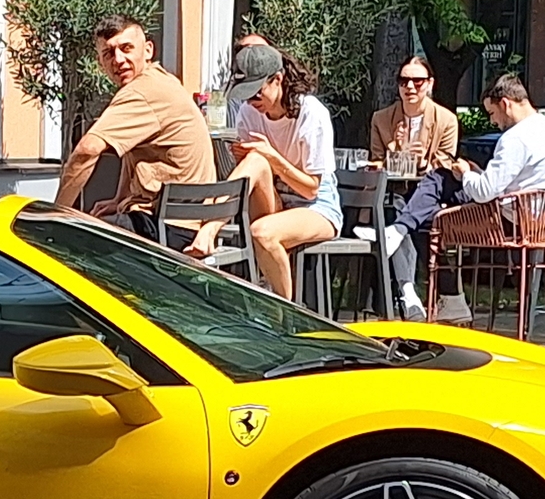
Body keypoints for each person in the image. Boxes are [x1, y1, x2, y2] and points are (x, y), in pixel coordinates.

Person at [388, 75, 545, 320]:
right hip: (537, 218)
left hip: (507, 221)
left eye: (492, 113)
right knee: (435, 190)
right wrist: (475, 173)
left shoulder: (515, 137)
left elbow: (484, 193)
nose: (493, 122)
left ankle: (446, 291)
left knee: (431, 209)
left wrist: (464, 174)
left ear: (505, 104)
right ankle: (404, 235)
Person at [51, 18, 214, 238]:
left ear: (148, 50)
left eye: (126, 48)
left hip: (169, 228)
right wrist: (120, 200)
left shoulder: (141, 92)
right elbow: (136, 152)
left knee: (72, 240)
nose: (118, 60)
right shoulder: (163, 79)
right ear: (100, 63)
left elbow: (86, 151)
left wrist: (55, 214)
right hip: (186, 220)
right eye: (108, 53)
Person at [218, 42, 341, 301]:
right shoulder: (248, 113)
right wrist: (251, 157)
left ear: (278, 79)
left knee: (262, 232)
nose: (251, 101)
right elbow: (260, 170)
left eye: (256, 92)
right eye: (245, 94)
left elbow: (312, 188)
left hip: (317, 205)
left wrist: (272, 157)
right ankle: (211, 223)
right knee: (254, 162)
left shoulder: (311, 114)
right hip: (277, 197)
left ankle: (285, 314)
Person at [367, 54, 459, 172]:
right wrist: (397, 153)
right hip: (390, 188)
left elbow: (445, 167)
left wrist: (422, 164)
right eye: (403, 81)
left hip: (428, 187)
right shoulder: (380, 119)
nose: (410, 86)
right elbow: (376, 165)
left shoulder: (446, 121)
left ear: (430, 83)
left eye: (418, 81)